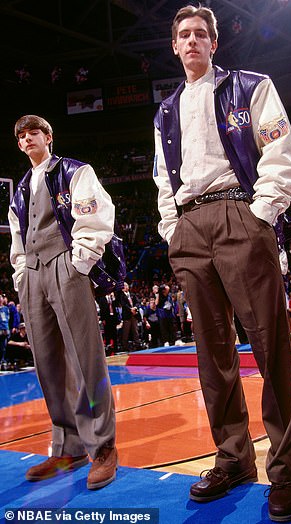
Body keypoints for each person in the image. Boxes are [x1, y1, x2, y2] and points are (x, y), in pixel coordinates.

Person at [153, 5, 291, 522]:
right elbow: (162, 179)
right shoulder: (166, 111)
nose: (192, 41)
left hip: (240, 212)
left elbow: (280, 151)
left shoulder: (251, 85)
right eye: (184, 35)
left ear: (213, 43)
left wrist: (260, 214)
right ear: (174, 46)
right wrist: (173, 228)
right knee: (211, 354)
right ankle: (234, 459)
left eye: (201, 34)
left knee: (269, 346)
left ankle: (286, 473)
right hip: (189, 227)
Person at [8, 115, 117, 490]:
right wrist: (21, 273)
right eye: (21, 136)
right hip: (33, 275)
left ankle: (102, 448)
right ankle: (67, 446)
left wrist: (80, 261)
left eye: (32, 133)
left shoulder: (74, 170)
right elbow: (18, 237)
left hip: (66, 265)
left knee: (84, 357)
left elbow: (95, 213)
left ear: (48, 137)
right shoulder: (20, 188)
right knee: (48, 364)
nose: (26, 140)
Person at [118, 281, 141, 352]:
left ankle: (137, 344)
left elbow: (137, 302)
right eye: (124, 286)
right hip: (127, 315)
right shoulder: (121, 296)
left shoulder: (132, 294)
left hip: (134, 315)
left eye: (127, 285)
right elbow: (124, 305)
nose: (126, 287)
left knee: (135, 330)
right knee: (126, 331)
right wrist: (130, 309)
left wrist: (135, 308)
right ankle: (125, 346)